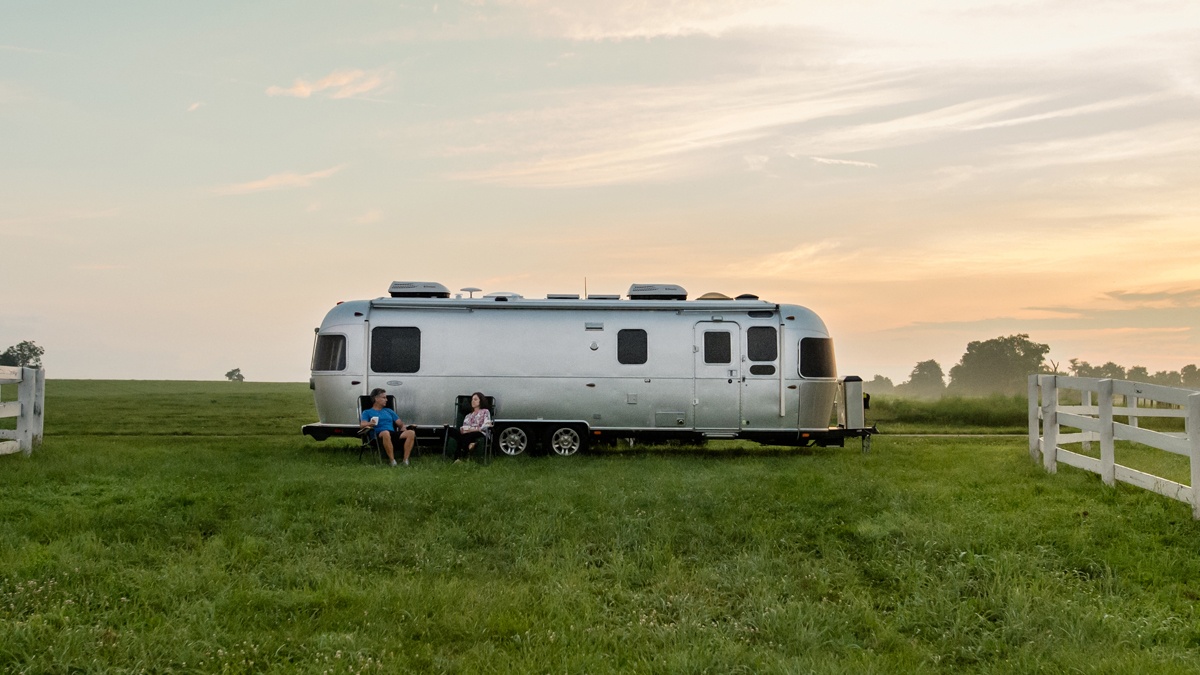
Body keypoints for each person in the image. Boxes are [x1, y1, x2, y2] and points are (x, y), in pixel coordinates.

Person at [360, 388, 416, 466]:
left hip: (392, 433)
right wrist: (370, 423)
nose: (386, 400)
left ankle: (405, 460)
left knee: (411, 433)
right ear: (376, 399)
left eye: (386, 398)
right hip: (378, 435)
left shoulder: (389, 411)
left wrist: (403, 427)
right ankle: (392, 461)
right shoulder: (367, 412)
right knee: (386, 433)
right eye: (384, 398)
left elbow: (400, 423)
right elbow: (362, 425)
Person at [448, 392, 491, 462]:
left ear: (481, 401)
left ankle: (458, 458)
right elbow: (463, 428)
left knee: (465, 437)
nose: (473, 401)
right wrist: (467, 430)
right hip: (469, 433)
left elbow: (487, 424)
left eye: (475, 399)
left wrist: (473, 429)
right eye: (472, 400)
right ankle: (471, 445)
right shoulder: (468, 415)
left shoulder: (485, 412)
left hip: (481, 433)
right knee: (451, 431)